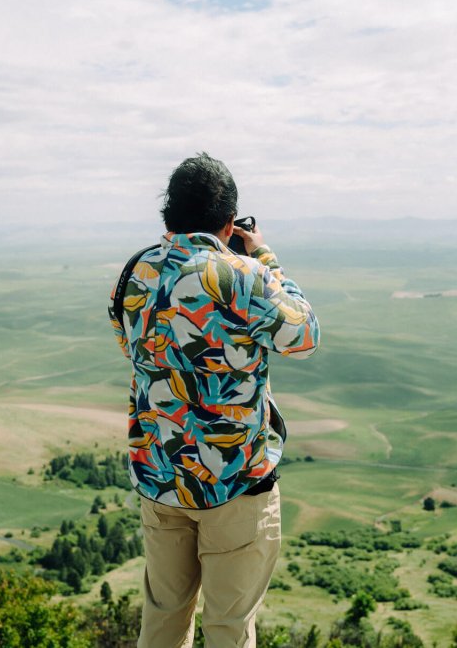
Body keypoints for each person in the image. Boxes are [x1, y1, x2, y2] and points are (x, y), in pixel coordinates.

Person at [108, 153, 320, 647]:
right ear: (229, 223)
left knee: (163, 619)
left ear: (169, 216)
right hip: (235, 482)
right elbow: (304, 335)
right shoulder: (243, 275)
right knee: (228, 626)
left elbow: (130, 347)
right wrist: (264, 257)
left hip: (160, 476)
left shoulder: (134, 272)